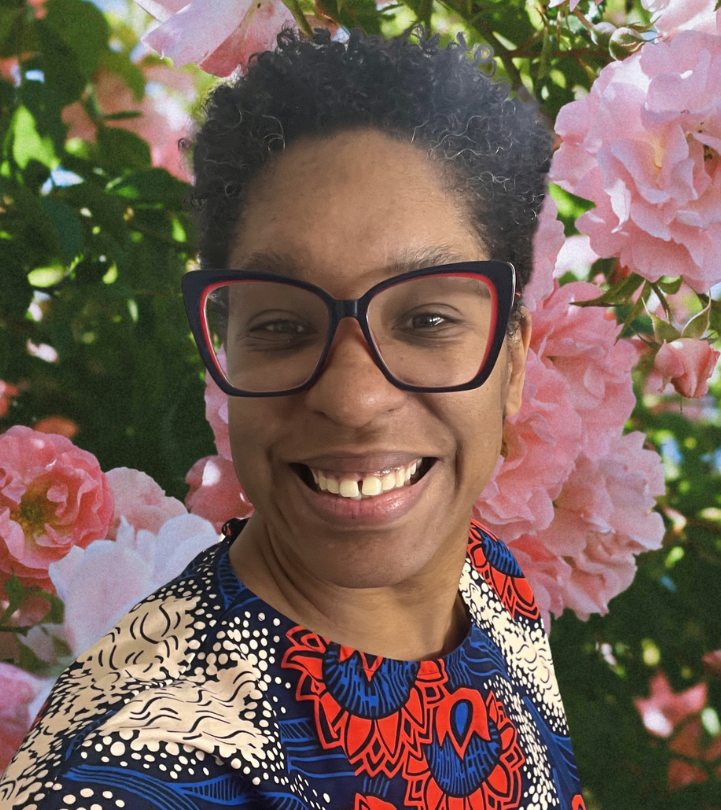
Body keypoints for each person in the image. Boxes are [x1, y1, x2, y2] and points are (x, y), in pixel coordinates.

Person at [0, 25, 586, 810]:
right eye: (280, 324)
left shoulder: (488, 585)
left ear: (513, 364)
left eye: (427, 321)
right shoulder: (133, 771)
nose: (353, 398)